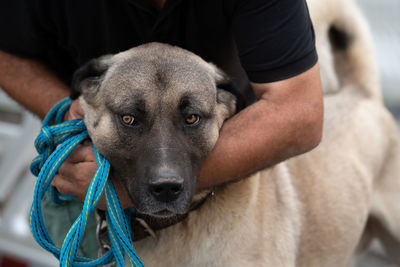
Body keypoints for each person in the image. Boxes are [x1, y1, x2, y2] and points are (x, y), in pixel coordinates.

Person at [0, 0, 322, 220]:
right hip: (92, 172)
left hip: (233, 154)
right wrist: (68, 111)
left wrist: (137, 188)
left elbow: (298, 111)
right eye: (130, 117)